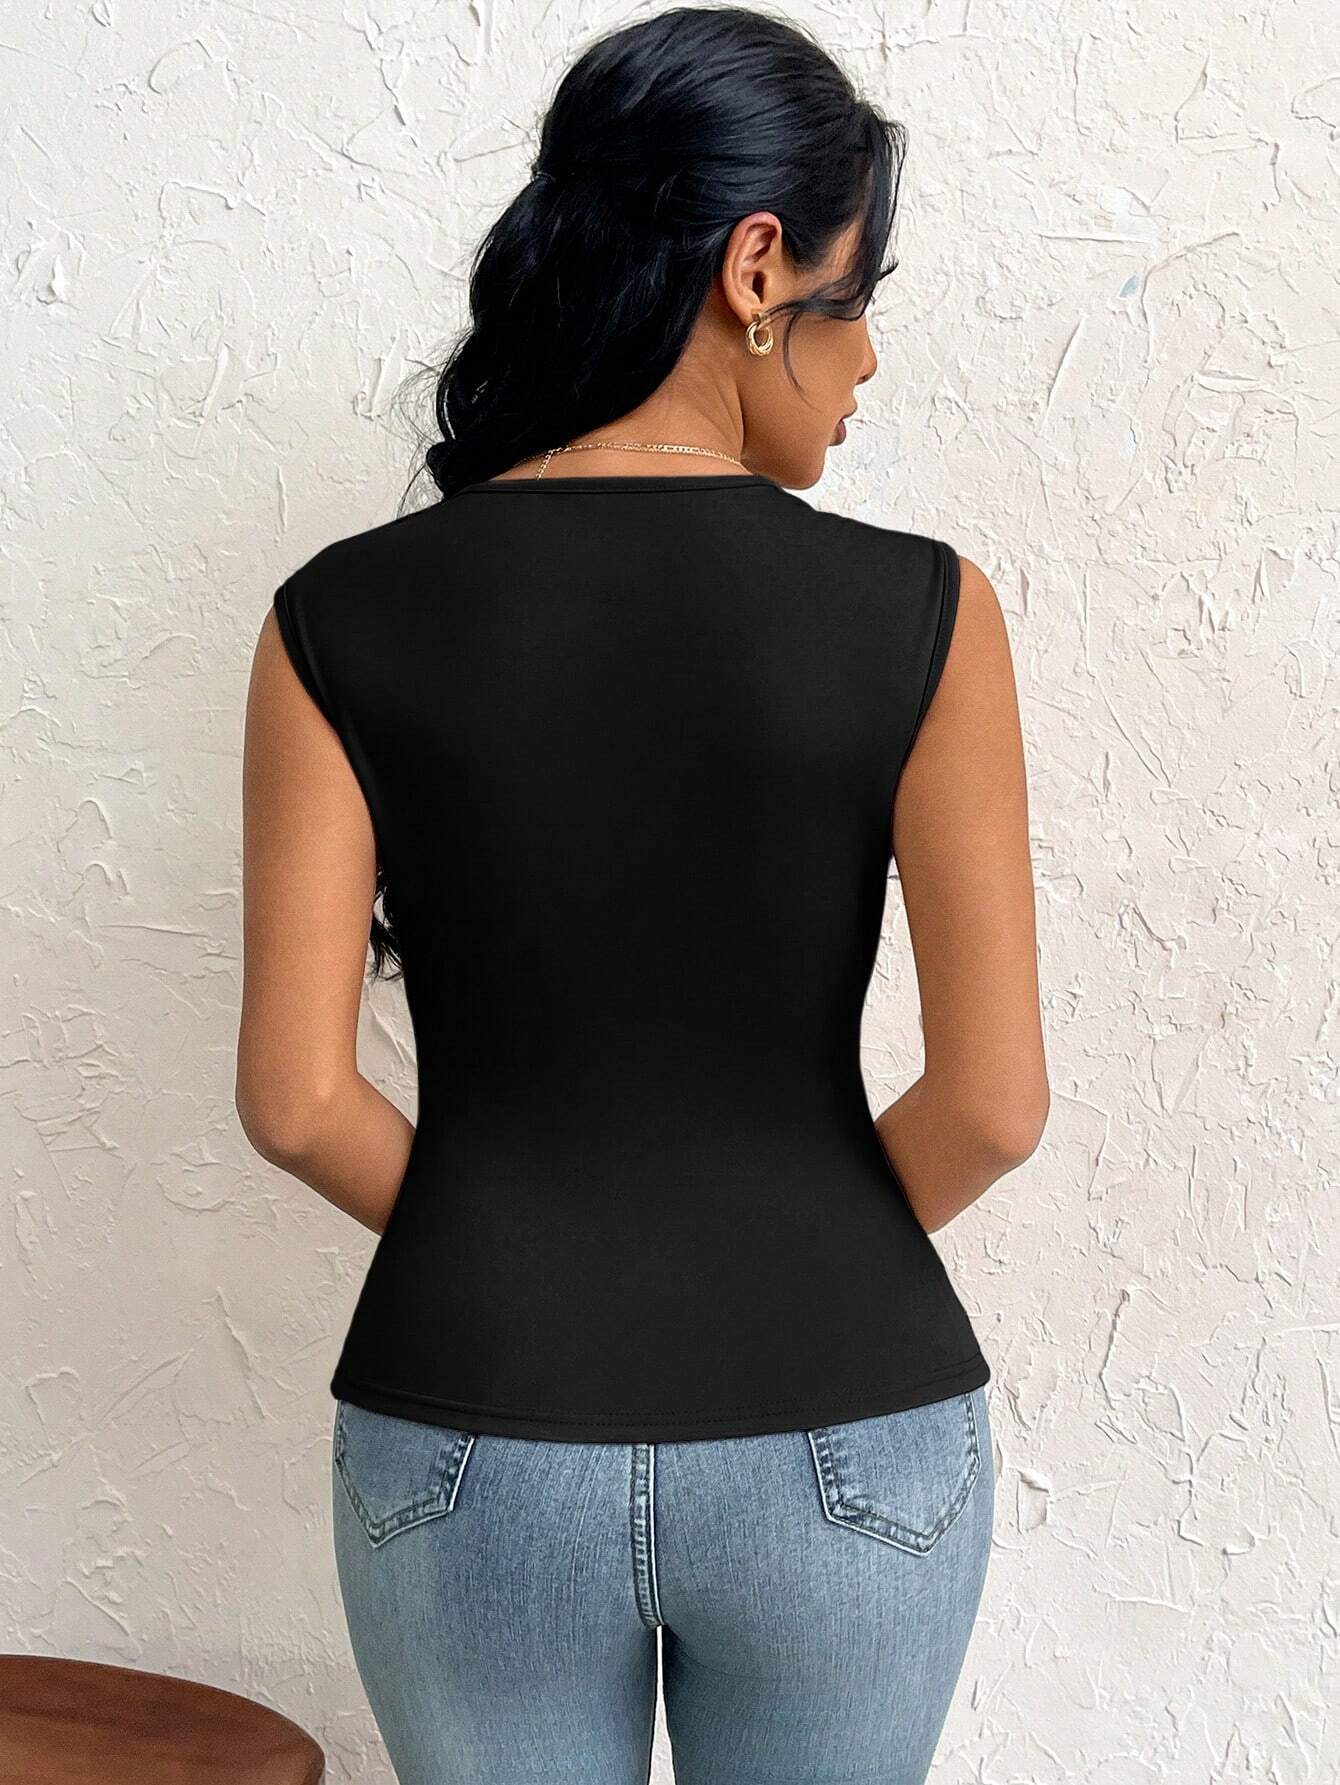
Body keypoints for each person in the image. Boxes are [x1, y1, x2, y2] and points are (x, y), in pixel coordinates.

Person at [236, 7, 1049, 1781]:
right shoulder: (930, 614)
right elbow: (994, 1103)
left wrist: (521, 1253)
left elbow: (295, 1100)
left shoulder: (333, 616)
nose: (867, 358)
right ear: (758, 270)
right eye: (857, 294)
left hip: (472, 1426)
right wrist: (793, 1258)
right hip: (842, 1432)